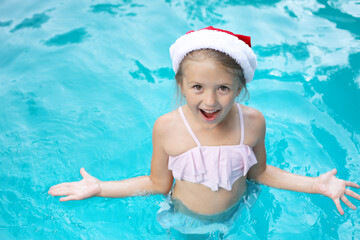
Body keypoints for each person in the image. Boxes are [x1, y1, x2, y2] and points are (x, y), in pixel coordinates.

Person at [48, 26, 360, 234]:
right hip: (185, 219)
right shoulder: (168, 128)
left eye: (223, 88)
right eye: (197, 87)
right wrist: (101, 188)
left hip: (239, 212)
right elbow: (157, 184)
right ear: (181, 84)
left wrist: (315, 185)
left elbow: (260, 173)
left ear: (240, 88)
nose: (209, 101)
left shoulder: (252, 122)